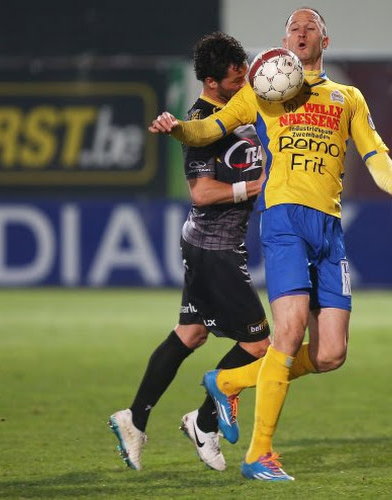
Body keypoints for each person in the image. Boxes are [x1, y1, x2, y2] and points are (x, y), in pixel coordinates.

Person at [149, 7, 392, 481]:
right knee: (288, 334)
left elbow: (375, 151)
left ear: (324, 43)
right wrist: (178, 129)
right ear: (284, 41)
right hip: (284, 220)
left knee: (331, 353)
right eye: (293, 26)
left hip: (329, 229)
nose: (301, 31)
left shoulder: (346, 97)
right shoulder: (260, 91)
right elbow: (210, 129)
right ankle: (259, 455)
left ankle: (227, 381)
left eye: (310, 26)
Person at [108, 32, 271, 472]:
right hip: (212, 248)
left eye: (244, 76)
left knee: (192, 334)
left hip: (214, 245)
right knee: (259, 347)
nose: (243, 85)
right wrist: (258, 186)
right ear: (212, 82)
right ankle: (203, 421)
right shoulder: (201, 121)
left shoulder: (242, 107)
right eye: (235, 80)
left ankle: (134, 417)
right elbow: (201, 192)